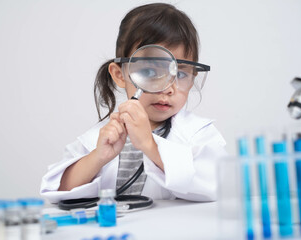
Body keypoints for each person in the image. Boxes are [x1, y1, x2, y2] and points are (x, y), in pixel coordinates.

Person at [40, 3, 227, 204]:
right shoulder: (100, 137)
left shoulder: (199, 134)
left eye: (180, 74)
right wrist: (98, 157)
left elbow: (217, 185)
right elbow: (58, 189)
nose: (168, 87)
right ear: (120, 75)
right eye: (149, 72)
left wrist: (149, 145)